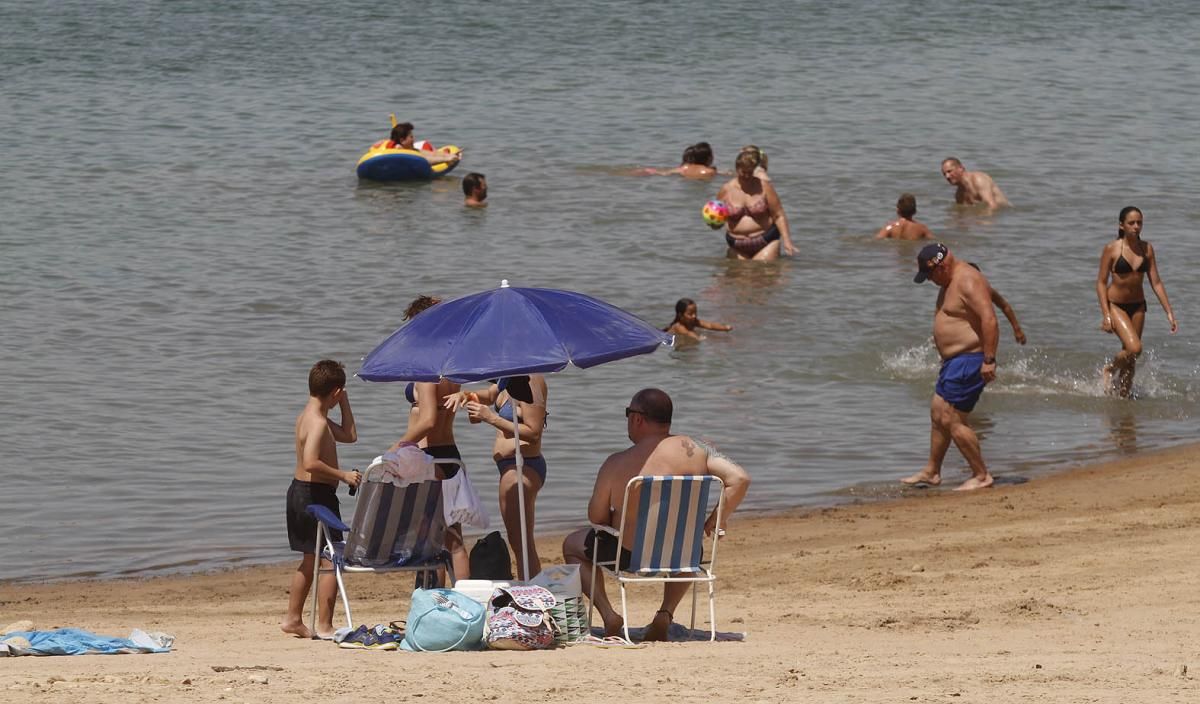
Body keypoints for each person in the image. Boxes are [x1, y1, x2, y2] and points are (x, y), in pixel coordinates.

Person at [561, 389, 750, 641]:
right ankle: (665, 613)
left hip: (629, 556)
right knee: (686, 544)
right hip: (684, 554)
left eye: (628, 413)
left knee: (571, 545)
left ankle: (608, 614)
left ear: (637, 418)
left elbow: (596, 518)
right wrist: (718, 518)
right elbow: (739, 478)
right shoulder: (696, 450)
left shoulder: (617, 462)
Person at [901, 243, 998, 491]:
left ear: (941, 266)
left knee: (953, 418)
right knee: (937, 413)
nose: (931, 281)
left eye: (931, 275)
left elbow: (989, 318)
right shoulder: (949, 281)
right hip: (954, 362)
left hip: (970, 359)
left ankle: (981, 475)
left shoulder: (967, 280)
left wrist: (988, 360)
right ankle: (932, 471)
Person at [387, 296, 470, 583]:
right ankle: (463, 601)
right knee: (453, 539)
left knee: (427, 538)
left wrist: (396, 446)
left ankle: (431, 600)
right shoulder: (452, 362)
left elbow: (428, 420)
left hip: (429, 458)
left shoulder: (427, 367)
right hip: (450, 454)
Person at [281, 360, 361, 639]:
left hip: (302, 493)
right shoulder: (317, 423)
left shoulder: (312, 416)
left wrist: (344, 399)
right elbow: (310, 461)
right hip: (314, 496)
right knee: (330, 560)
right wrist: (343, 475)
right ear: (334, 393)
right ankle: (324, 625)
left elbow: (350, 435)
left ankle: (293, 619)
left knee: (310, 559)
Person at [445, 375, 548, 580]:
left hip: (522, 467)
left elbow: (534, 432)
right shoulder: (507, 377)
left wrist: (491, 418)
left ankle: (534, 597)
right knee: (517, 540)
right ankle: (531, 592)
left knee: (522, 543)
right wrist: (467, 395)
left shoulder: (532, 381)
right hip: (509, 467)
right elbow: (492, 395)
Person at [1095, 206, 1178, 397]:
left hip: (1138, 306)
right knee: (1135, 348)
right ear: (1122, 226)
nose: (1136, 226)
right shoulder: (1112, 249)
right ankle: (1109, 369)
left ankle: (1123, 403)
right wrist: (1106, 315)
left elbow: (1155, 282)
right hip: (1116, 305)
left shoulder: (1147, 248)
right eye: (1131, 223)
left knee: (1131, 359)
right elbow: (1100, 283)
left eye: (1139, 222)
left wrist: (1169, 313)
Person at [716, 150, 796, 260]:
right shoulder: (726, 190)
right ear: (737, 168)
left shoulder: (765, 187)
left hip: (765, 241)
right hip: (736, 244)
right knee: (737, 275)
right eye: (743, 172)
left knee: (762, 273)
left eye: (750, 172)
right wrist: (715, 224)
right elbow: (718, 217)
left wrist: (787, 242)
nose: (747, 176)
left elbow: (778, 215)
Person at [940, 157, 1009, 210]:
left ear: (961, 168)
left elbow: (993, 206)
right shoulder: (959, 195)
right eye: (944, 174)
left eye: (949, 171)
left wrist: (983, 225)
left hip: (1005, 216)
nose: (947, 176)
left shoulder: (979, 180)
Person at [386, 122, 461, 166]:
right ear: (402, 140)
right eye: (411, 137)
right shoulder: (398, 149)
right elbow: (422, 161)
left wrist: (448, 155)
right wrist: (445, 159)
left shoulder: (408, 149)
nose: (413, 139)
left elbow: (424, 153)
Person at [663, 297, 732, 342]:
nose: (694, 316)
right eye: (690, 314)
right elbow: (688, 333)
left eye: (695, 313)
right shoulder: (678, 326)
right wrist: (698, 338)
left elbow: (710, 325)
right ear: (680, 315)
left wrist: (724, 328)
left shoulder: (694, 321)